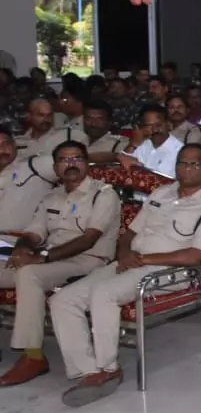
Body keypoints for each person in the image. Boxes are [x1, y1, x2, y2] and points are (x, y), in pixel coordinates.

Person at [50, 143, 201, 406]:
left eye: (194, 164)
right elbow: (130, 233)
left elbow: (193, 256)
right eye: (182, 163)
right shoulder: (161, 193)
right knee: (63, 300)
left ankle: (109, 369)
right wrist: (124, 254)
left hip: (170, 271)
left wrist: (143, 259)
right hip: (132, 262)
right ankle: (88, 371)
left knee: (104, 293)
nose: (187, 169)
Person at [0, 140, 119, 387]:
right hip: (51, 261)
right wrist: (22, 250)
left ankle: (33, 357)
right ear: (55, 168)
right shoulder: (51, 196)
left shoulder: (104, 194)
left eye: (77, 158)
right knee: (22, 270)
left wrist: (40, 258)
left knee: (30, 274)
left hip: (88, 262)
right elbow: (34, 233)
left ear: (87, 164)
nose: (71, 164)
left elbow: (89, 239)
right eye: (64, 160)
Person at [118, 103, 182, 177]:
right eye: (148, 126)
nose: (154, 130)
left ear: (168, 124)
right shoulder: (140, 144)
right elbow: (121, 168)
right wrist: (133, 144)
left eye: (158, 125)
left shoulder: (179, 150)